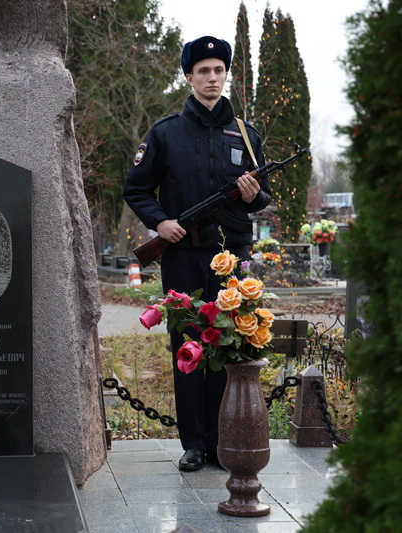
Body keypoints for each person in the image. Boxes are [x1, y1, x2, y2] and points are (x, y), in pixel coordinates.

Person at [123, 36, 272, 472]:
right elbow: (136, 188)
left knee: (231, 343)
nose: (212, 78)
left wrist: (252, 195)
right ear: (189, 77)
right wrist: (160, 222)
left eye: (218, 70)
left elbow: (263, 196)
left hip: (232, 259)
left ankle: (224, 439)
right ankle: (193, 442)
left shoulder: (246, 134)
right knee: (188, 346)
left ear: (227, 76)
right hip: (182, 257)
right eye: (203, 70)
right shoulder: (165, 132)